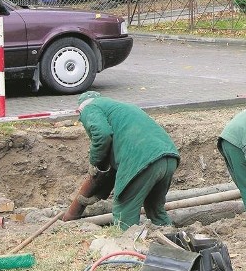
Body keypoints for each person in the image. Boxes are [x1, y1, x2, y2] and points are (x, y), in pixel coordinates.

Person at [77, 91, 180, 229]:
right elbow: (114, 168)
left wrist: (94, 161)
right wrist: (100, 194)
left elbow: (102, 134)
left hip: (143, 158)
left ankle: (126, 246)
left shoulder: (90, 108)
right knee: (156, 210)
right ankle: (170, 238)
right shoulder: (120, 109)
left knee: (124, 212)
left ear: (79, 110)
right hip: (168, 156)